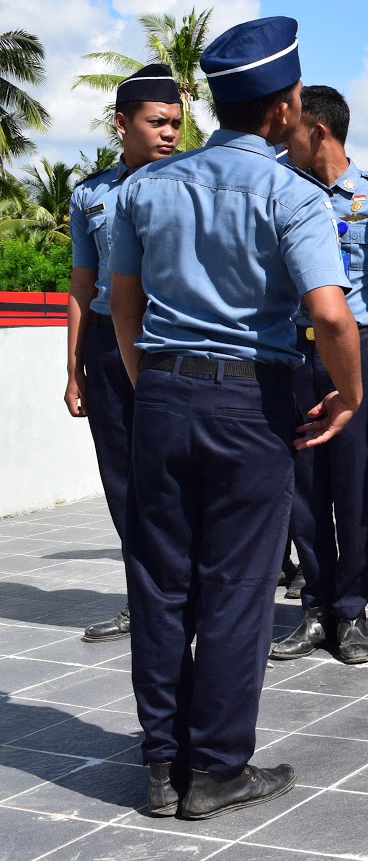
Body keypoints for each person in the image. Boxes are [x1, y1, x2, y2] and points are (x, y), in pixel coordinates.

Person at [110, 15, 360, 819]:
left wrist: (150, 378)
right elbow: (330, 312)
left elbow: (121, 301)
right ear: (287, 108)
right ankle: (216, 767)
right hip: (251, 401)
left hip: (162, 395)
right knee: (235, 585)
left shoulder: (145, 186)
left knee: (159, 581)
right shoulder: (295, 194)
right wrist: (350, 394)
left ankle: (160, 763)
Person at [270, 87, 368, 667]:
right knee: (304, 488)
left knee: (355, 488)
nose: (284, 140)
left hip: (359, 351)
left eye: (293, 131)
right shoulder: (279, 192)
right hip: (295, 353)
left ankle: (351, 613)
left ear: (320, 131)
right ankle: (315, 607)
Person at [65, 63, 182, 643]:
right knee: (123, 483)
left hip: (173, 347)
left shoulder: (190, 183)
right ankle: (145, 601)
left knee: (180, 479)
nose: (169, 134)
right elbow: (82, 287)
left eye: (176, 124)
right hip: (111, 350)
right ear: (121, 124)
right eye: (157, 122)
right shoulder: (90, 195)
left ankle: (193, 599)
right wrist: (74, 370)